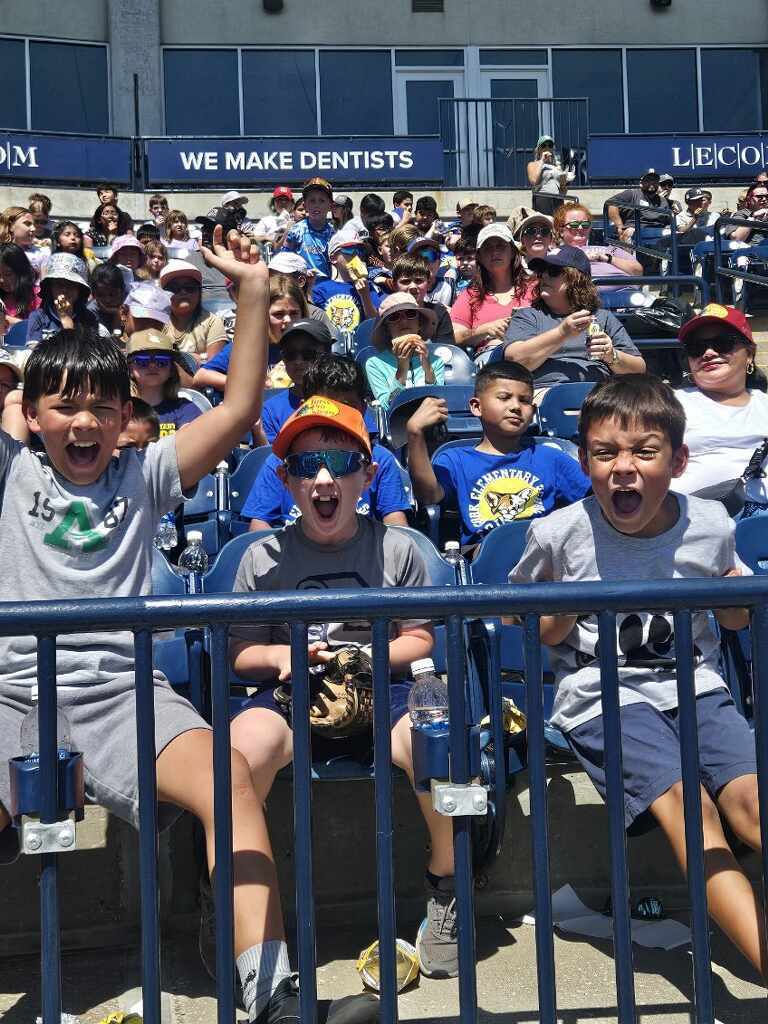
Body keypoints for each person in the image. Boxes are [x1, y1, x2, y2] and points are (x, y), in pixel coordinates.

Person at [0, 232, 378, 1024]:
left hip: (121, 696)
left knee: (229, 781)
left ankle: (268, 992)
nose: (84, 422)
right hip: (11, 696)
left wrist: (244, 289)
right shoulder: (9, 467)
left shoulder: (149, 475)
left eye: (103, 407)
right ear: (31, 414)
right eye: (64, 404)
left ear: (125, 418)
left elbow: (241, 407)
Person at [510, 373, 764, 985]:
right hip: (603, 698)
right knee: (689, 805)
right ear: (584, 460)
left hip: (697, 688)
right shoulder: (558, 532)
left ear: (677, 461)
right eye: (605, 453)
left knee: (754, 802)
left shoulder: (709, 524)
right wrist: (570, 597)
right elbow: (536, 628)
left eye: (644, 451)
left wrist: (735, 596)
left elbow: (732, 616)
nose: (623, 467)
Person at [228, 395, 458, 982]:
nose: (323, 478)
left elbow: (419, 641)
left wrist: (363, 655)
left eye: (338, 462)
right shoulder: (262, 557)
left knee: (440, 746)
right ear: (285, 480)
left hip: (385, 686)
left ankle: (447, 887)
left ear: (368, 473)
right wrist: (285, 655)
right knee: (234, 758)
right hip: (294, 691)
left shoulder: (399, 548)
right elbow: (241, 654)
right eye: (306, 466)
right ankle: (240, 910)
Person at [407, 362, 590, 550]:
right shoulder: (455, 460)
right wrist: (415, 433)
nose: (516, 407)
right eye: (504, 397)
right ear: (476, 406)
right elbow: (428, 496)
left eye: (525, 400)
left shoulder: (551, 458)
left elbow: (594, 499)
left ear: (534, 411)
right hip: (486, 554)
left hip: (542, 550)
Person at [244, 354, 410, 531]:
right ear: (303, 407)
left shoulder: (381, 458)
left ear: (362, 408)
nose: (336, 416)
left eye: (346, 407)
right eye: (326, 406)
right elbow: (260, 524)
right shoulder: (279, 461)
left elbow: (395, 522)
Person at [489, 246, 645, 385]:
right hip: (544, 394)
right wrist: (562, 333)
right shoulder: (528, 316)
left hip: (597, 396)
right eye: (541, 272)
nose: (543, 276)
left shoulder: (603, 317)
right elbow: (515, 361)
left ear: (577, 280)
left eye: (553, 271)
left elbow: (639, 370)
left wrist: (612, 355)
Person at [672, 304, 768, 516]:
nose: (708, 353)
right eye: (696, 347)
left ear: (750, 354)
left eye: (722, 344)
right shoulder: (669, 404)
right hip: (695, 524)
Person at [193, 275, 308, 393]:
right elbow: (201, 376)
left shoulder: (311, 347)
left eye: (294, 313)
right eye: (278, 314)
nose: (288, 320)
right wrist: (249, 385)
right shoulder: (246, 347)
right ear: (262, 314)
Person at [450, 224, 536, 357]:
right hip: (490, 363)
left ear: (512, 252)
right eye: (487, 247)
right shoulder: (471, 294)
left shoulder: (535, 288)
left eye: (501, 246)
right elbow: (455, 336)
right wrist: (484, 330)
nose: (494, 252)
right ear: (479, 256)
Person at [257, 319, 335, 442]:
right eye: (290, 354)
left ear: (328, 354)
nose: (298, 361)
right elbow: (269, 457)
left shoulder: (346, 398)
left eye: (308, 354)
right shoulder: (270, 410)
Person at [553, 203, 643, 308]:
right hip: (587, 300)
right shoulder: (558, 252)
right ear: (561, 230)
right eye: (574, 225)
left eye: (585, 225)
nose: (580, 228)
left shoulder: (611, 249)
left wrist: (606, 258)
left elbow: (638, 271)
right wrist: (581, 259)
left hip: (629, 296)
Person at [365, 292, 445, 410]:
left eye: (410, 313)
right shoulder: (374, 364)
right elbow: (386, 407)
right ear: (387, 328)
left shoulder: (436, 361)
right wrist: (402, 369)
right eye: (394, 317)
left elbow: (439, 402)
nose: (403, 321)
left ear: (420, 323)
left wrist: (428, 369)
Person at [311, 232, 380, 350]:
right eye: (350, 251)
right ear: (333, 258)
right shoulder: (320, 289)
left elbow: (374, 323)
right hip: (332, 350)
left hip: (360, 349)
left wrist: (365, 295)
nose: (356, 256)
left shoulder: (369, 287)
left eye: (359, 251)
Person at [127, 328, 201, 437]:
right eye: (142, 361)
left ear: (171, 370)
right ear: (130, 369)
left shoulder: (186, 408)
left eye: (161, 361)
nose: (152, 366)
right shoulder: (120, 409)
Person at [159, 259, 227, 365]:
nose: (183, 292)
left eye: (189, 287)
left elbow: (214, 367)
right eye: (174, 288)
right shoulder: (157, 322)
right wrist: (194, 358)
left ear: (199, 292)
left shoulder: (212, 322)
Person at [26, 253, 104, 345]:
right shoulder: (38, 317)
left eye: (70, 284)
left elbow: (89, 352)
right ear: (50, 288)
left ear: (80, 289)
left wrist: (66, 319)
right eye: (59, 284)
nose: (65, 289)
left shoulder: (88, 318)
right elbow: (34, 352)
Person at [391, 255, 455, 344]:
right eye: (405, 281)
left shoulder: (439, 314)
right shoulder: (388, 316)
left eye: (418, 281)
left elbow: (446, 351)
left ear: (428, 283)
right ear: (394, 286)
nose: (413, 286)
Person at [281, 177, 335, 278]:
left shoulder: (334, 235)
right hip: (301, 284)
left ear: (330, 206)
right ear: (305, 206)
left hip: (326, 287)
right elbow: (284, 259)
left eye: (322, 201)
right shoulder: (296, 231)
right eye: (312, 201)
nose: (316, 205)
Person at [606, 169, 673, 244]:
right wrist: (619, 226)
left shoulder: (664, 201)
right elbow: (611, 204)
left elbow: (668, 222)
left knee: (675, 234)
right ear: (641, 183)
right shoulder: (632, 194)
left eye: (655, 180)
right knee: (629, 233)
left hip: (658, 231)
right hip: (635, 230)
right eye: (648, 180)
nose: (652, 183)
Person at [406, 236, 456, 307]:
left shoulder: (449, 284)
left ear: (439, 262)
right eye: (418, 258)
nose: (425, 262)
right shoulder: (403, 286)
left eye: (430, 255)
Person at [0, 207, 45, 278]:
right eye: (27, 224)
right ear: (11, 225)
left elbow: (43, 282)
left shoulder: (40, 253)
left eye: (33, 225)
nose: (33, 229)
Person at [0, 243, 39, 325]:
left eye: (8, 274)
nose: (2, 280)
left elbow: (38, 328)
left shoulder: (37, 296)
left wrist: (6, 319)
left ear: (21, 271)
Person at [88, 263, 129, 340]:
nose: (108, 300)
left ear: (122, 290)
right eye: (101, 295)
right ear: (93, 294)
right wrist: (116, 316)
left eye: (112, 294)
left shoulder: (130, 305)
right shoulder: (90, 313)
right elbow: (115, 343)